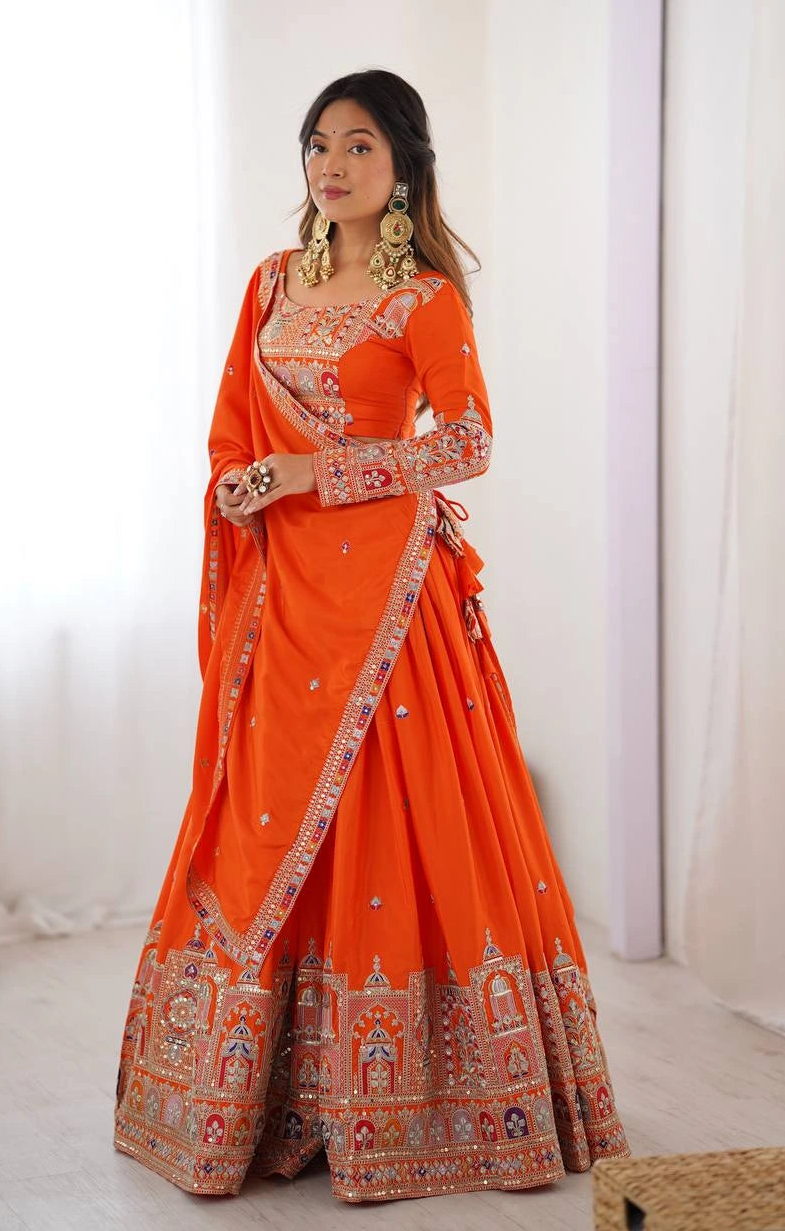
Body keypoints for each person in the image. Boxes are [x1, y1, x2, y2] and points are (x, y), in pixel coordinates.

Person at [112, 68, 631, 1204]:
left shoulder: (425, 300)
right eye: (317, 147)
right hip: (284, 597)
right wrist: (245, 484)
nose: (331, 167)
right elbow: (227, 431)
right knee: (262, 825)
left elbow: (472, 441)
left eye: (357, 146)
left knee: (398, 824)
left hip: (390, 599)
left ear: (404, 166)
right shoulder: (267, 287)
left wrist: (319, 470)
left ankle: (422, 1102)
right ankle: (267, 1098)